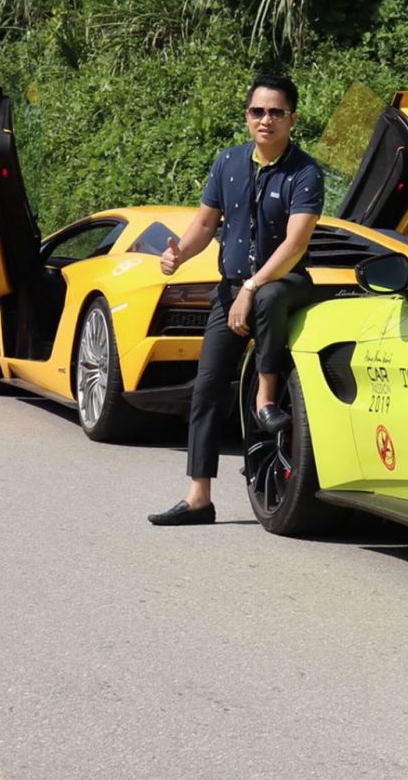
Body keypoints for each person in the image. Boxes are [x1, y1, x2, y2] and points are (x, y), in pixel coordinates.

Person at [147, 73, 323, 526]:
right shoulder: (227, 163)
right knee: (206, 388)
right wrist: (179, 255)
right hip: (231, 289)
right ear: (247, 116)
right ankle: (198, 498)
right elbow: (206, 225)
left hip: (284, 282)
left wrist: (251, 286)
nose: (266, 120)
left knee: (267, 296)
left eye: (276, 112)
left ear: (292, 119)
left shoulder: (305, 172)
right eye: (257, 111)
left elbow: (295, 245)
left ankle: (265, 397)